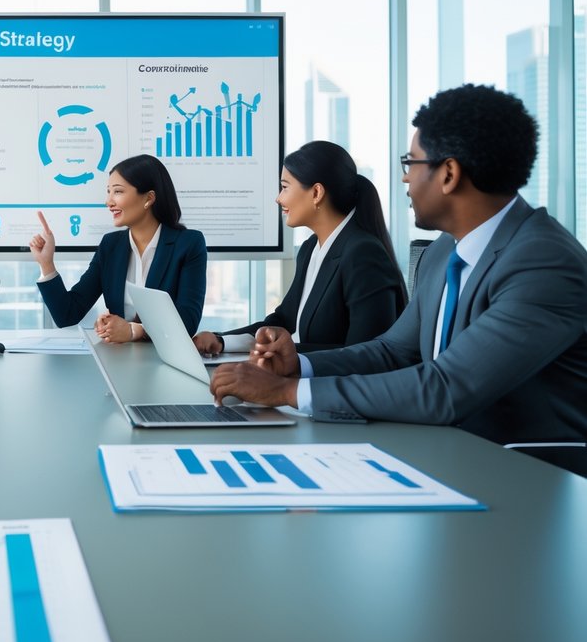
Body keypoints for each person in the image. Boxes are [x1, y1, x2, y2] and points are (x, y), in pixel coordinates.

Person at [211, 84, 587, 451]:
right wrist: (301, 365)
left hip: (524, 472)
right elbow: (393, 352)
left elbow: (447, 388)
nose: (405, 177)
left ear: (448, 173)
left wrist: (287, 392)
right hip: (444, 451)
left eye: (411, 163)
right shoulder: (443, 252)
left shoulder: (543, 264)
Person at [194, 141, 405, 356]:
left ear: (316, 193)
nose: (278, 198)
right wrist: (221, 342)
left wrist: (285, 356)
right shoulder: (310, 248)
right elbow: (284, 321)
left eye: (285, 187)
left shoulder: (363, 253)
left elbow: (364, 354)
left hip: (335, 387)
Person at [30, 154, 206, 342]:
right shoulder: (110, 245)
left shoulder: (188, 244)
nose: (109, 201)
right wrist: (46, 264)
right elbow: (67, 314)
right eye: (108, 192)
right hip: (120, 358)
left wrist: (132, 331)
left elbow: (187, 322)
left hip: (166, 360)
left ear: (149, 198)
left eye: (118, 192)